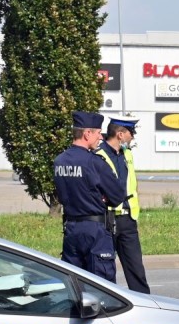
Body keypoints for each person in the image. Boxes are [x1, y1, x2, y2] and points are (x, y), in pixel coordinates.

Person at [54, 111, 127, 282]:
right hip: (95, 231)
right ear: (87, 134)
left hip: (71, 229)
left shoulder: (60, 161)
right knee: (103, 288)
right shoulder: (94, 162)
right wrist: (102, 197)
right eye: (97, 132)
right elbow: (117, 195)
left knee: (74, 285)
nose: (100, 137)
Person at [95, 114, 151, 293]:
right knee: (104, 270)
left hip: (128, 220)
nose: (133, 136)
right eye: (131, 132)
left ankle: (146, 304)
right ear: (120, 134)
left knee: (136, 269)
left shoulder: (127, 154)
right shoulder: (98, 155)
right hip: (106, 220)